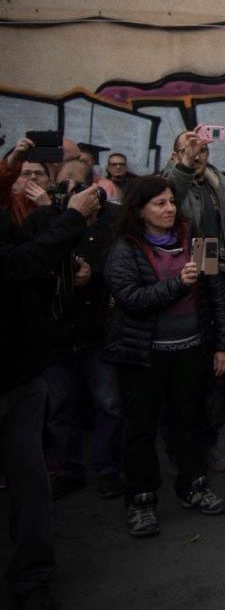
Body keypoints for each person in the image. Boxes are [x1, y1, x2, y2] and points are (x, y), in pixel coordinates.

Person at [103, 176, 225, 537]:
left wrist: (223, 345)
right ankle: (141, 501)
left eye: (171, 202)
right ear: (140, 209)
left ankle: (194, 486)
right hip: (143, 357)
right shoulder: (124, 248)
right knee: (141, 430)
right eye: (159, 203)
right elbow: (131, 299)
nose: (169, 209)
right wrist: (178, 284)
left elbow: (217, 295)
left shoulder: (195, 238)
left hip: (191, 351)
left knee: (189, 423)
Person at [0, 182, 100, 608]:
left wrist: (62, 253)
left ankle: (32, 577)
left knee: (30, 482)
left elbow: (27, 253)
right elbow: (16, 264)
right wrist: (72, 219)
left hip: (18, 371)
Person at [23, 160, 124, 501]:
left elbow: (124, 265)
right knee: (60, 408)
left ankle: (108, 469)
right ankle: (69, 470)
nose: (71, 193)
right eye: (64, 186)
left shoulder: (112, 220)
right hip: (57, 331)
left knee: (108, 403)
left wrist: (93, 273)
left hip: (98, 328)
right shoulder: (43, 221)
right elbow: (29, 265)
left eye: (77, 186)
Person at [163, 130, 225, 472]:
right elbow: (174, 186)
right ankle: (182, 452)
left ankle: (207, 444)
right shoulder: (169, 186)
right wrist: (185, 162)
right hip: (182, 274)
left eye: (202, 149)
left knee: (218, 369)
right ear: (176, 155)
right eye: (189, 149)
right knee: (186, 376)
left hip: (212, 267)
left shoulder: (217, 185)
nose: (198, 155)